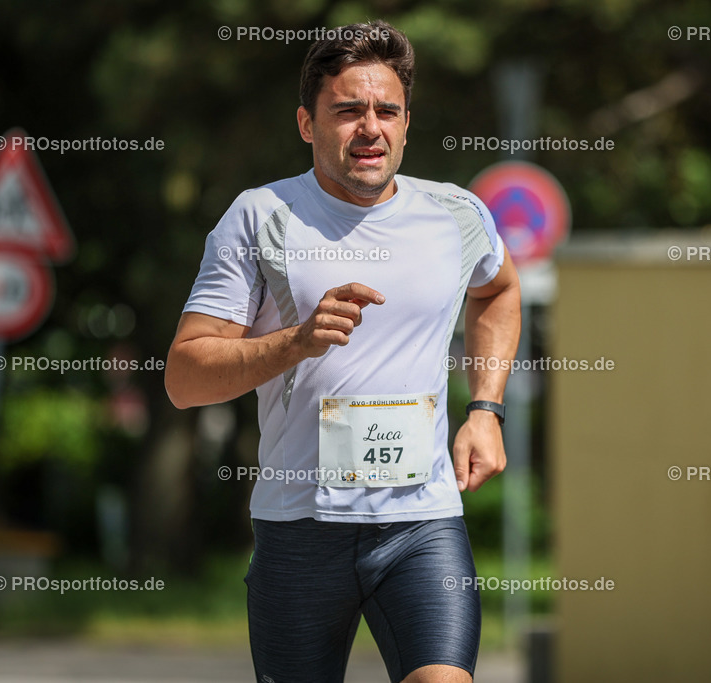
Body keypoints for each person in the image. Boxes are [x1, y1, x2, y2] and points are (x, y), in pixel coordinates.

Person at [164, 19, 521, 683]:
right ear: (307, 123)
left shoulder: (457, 214)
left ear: (408, 123)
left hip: (422, 521)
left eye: (387, 110)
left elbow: (498, 290)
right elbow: (186, 377)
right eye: (347, 110)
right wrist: (293, 343)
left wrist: (486, 408)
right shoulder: (259, 215)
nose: (370, 127)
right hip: (299, 528)